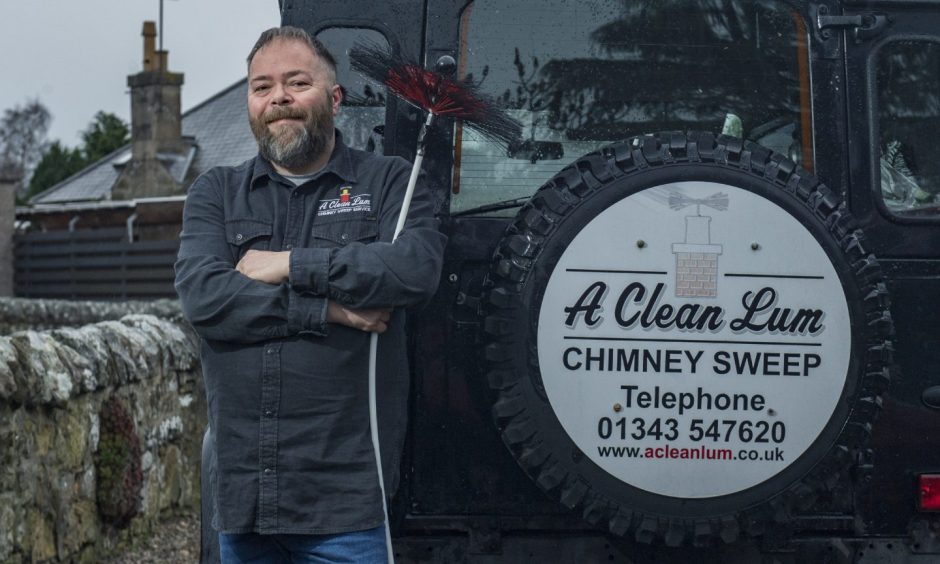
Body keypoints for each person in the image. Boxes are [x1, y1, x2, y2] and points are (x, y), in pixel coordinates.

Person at [174, 26, 446, 563]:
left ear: (335, 98)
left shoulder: (389, 182)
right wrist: (329, 309)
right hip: (245, 496)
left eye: (297, 82)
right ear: (252, 104)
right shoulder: (216, 193)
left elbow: (415, 269)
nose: (279, 98)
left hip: (344, 504)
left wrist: (289, 264)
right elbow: (205, 297)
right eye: (262, 87)